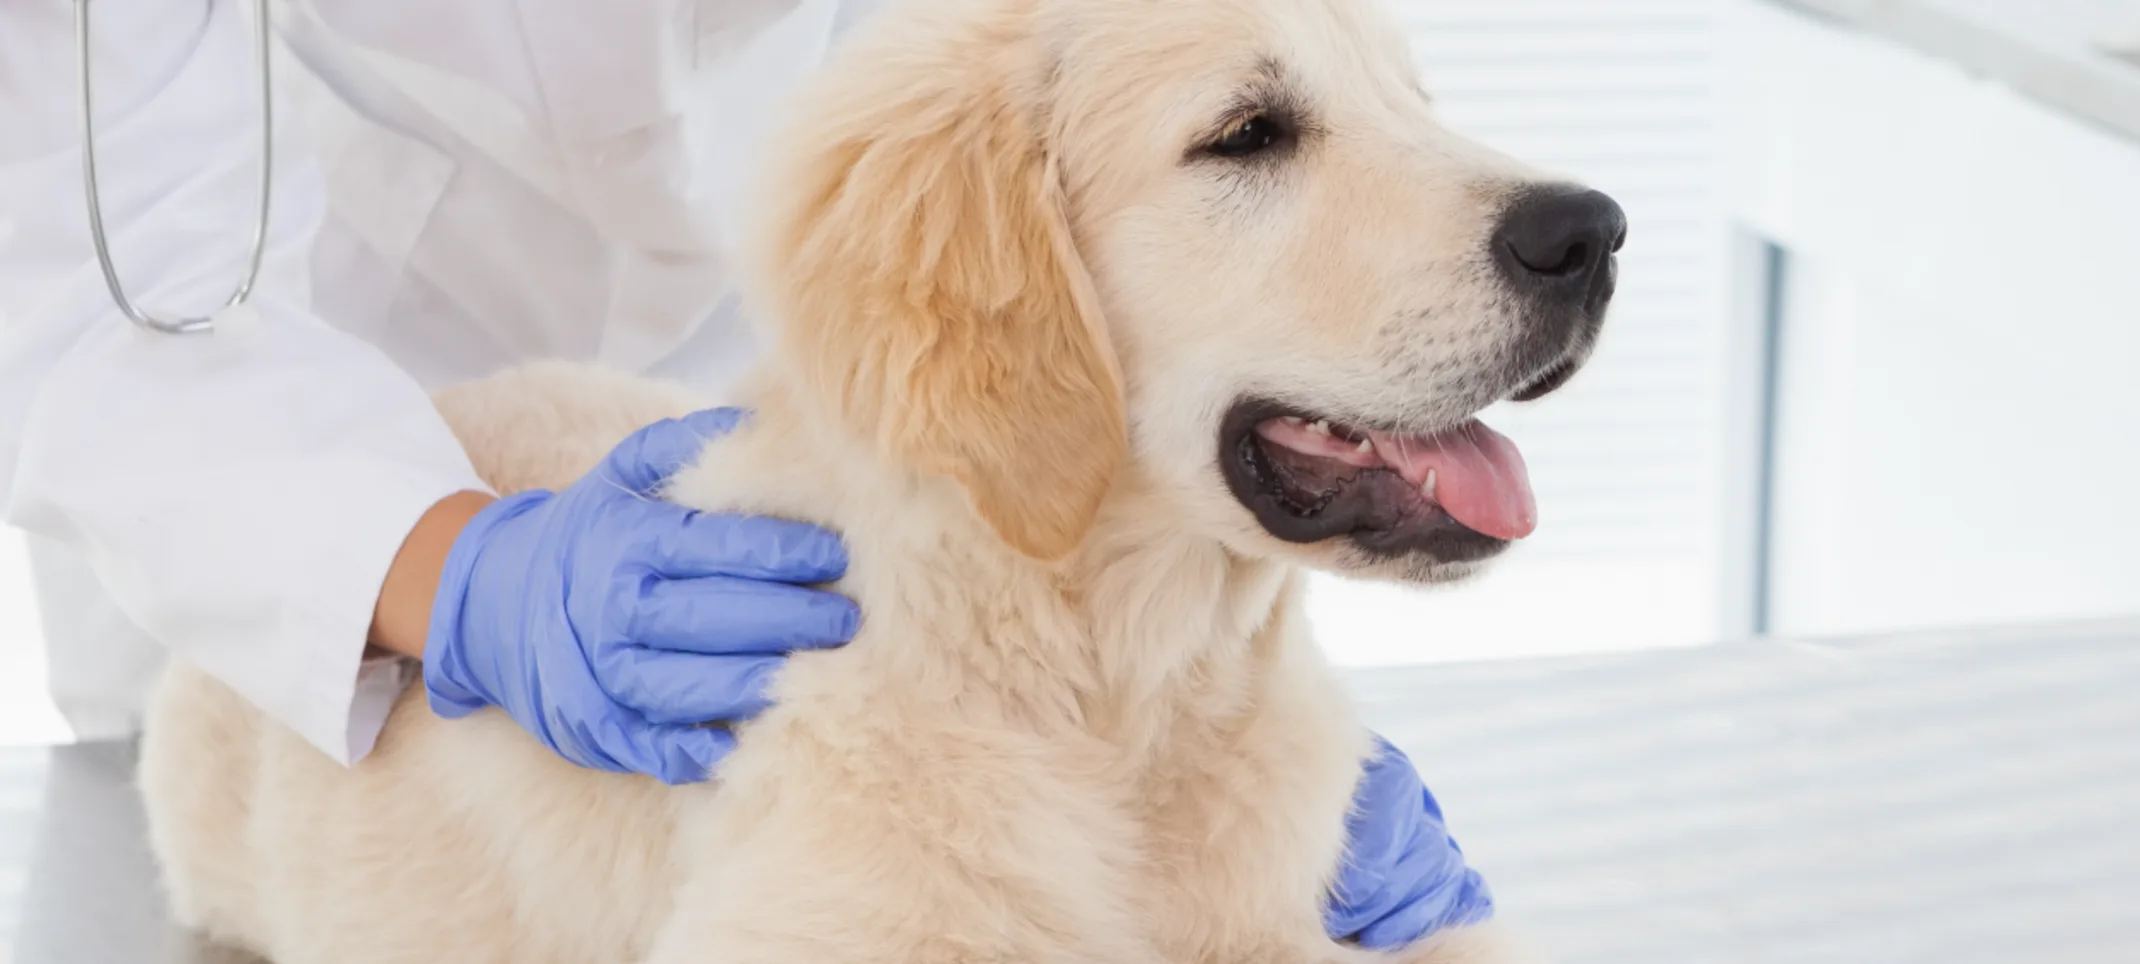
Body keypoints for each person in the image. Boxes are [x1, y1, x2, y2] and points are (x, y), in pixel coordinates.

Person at [0, 0, 1490, 954]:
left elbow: (1132, 85)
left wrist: (1234, 799)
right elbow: (83, 284)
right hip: (280, 423)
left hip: (829, 406)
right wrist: (453, 576)